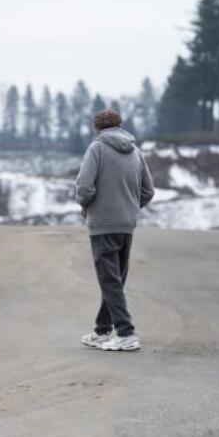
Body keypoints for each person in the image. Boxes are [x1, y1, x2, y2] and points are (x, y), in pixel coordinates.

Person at [74, 108, 155, 352]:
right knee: (115, 280)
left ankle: (126, 333)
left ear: (96, 128)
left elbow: (84, 187)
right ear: (120, 125)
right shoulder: (136, 152)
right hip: (127, 224)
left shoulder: (96, 148)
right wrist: (130, 208)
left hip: (103, 225)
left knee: (109, 280)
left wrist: (86, 206)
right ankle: (102, 330)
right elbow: (148, 191)